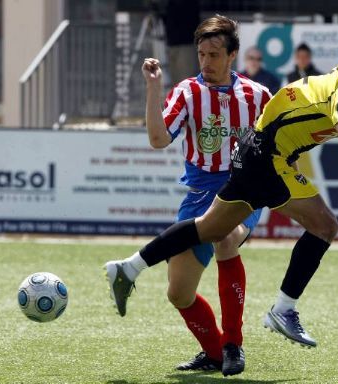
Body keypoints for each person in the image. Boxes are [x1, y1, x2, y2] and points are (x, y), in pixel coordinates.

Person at [105, 61, 338, 350]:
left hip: (254, 152)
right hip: (269, 158)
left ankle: (129, 267)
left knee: (210, 229)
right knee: (326, 225)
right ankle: (283, 309)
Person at [105, 15, 270, 377]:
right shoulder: (186, 92)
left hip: (242, 193)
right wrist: (153, 89)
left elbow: (280, 145)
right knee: (178, 293)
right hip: (198, 196)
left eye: (214, 55)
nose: (206, 62)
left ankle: (233, 345)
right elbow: (158, 139)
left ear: (233, 56)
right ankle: (213, 354)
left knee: (225, 235)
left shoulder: (258, 96)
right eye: (201, 54)